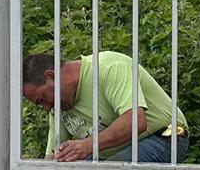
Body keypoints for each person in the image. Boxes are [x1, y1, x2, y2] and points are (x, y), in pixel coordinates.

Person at [21, 50, 189, 162]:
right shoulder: (58, 105)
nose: (45, 107)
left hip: (164, 137)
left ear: (51, 76)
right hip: (108, 156)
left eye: (42, 99)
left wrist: (87, 145)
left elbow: (136, 121)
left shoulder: (108, 67)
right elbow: (52, 160)